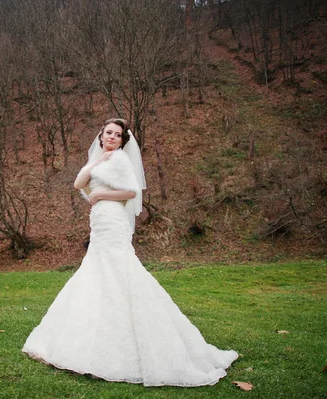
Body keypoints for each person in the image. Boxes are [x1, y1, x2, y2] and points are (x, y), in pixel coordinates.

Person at [22, 118, 238, 387]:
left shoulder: (122, 161)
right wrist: (95, 162)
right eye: (108, 133)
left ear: (123, 140)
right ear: (101, 136)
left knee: (120, 271)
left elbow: (131, 192)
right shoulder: (100, 159)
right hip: (99, 223)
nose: (112, 137)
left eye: (117, 134)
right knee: (95, 273)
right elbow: (79, 184)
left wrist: (101, 194)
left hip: (113, 220)